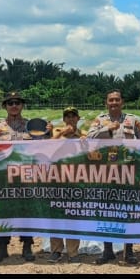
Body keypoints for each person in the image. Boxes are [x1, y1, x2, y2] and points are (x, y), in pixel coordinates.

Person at [86, 91, 140, 264]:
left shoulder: (133, 120)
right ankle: (108, 250)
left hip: (127, 172)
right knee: (106, 210)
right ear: (106, 102)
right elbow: (89, 137)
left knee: (128, 210)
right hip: (106, 172)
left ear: (122, 102)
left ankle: (129, 250)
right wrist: (106, 129)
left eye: (117, 100)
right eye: (111, 100)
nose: (114, 103)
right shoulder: (99, 120)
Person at [0, 92, 41, 261]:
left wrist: (47, 133)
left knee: (26, 210)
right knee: (3, 211)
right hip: (4, 176)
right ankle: (2, 247)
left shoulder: (31, 126)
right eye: (10, 103)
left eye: (17, 102)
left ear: (22, 105)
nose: (14, 105)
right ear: (5, 106)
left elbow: (42, 147)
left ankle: (27, 246)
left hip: (25, 175)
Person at [49, 106, 83, 262]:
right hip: (56, 180)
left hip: (75, 181)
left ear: (78, 118)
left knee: (73, 215)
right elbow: (46, 146)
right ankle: (56, 250)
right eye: (67, 116)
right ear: (63, 119)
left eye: (73, 116)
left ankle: (73, 252)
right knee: (55, 215)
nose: (70, 119)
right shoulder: (56, 133)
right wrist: (63, 132)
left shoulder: (83, 135)